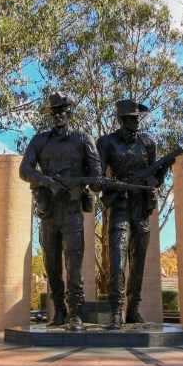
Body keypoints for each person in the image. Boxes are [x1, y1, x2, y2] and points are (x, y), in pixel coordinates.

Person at [19, 92, 101, 331]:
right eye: (54, 111)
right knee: (51, 262)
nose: (58, 115)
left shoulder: (83, 139)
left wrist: (89, 182)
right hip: (48, 209)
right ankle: (59, 310)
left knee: (74, 262)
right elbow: (24, 170)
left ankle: (75, 312)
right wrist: (48, 182)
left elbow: (96, 175)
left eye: (62, 110)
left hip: (73, 208)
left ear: (70, 112)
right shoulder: (39, 140)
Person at [96, 99, 172, 330]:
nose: (136, 120)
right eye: (131, 117)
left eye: (137, 117)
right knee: (118, 261)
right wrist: (116, 185)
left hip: (141, 209)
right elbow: (97, 180)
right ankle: (116, 312)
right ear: (120, 119)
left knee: (138, 263)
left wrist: (165, 167)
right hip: (119, 207)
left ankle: (133, 310)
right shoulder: (106, 142)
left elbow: (155, 181)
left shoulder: (148, 142)